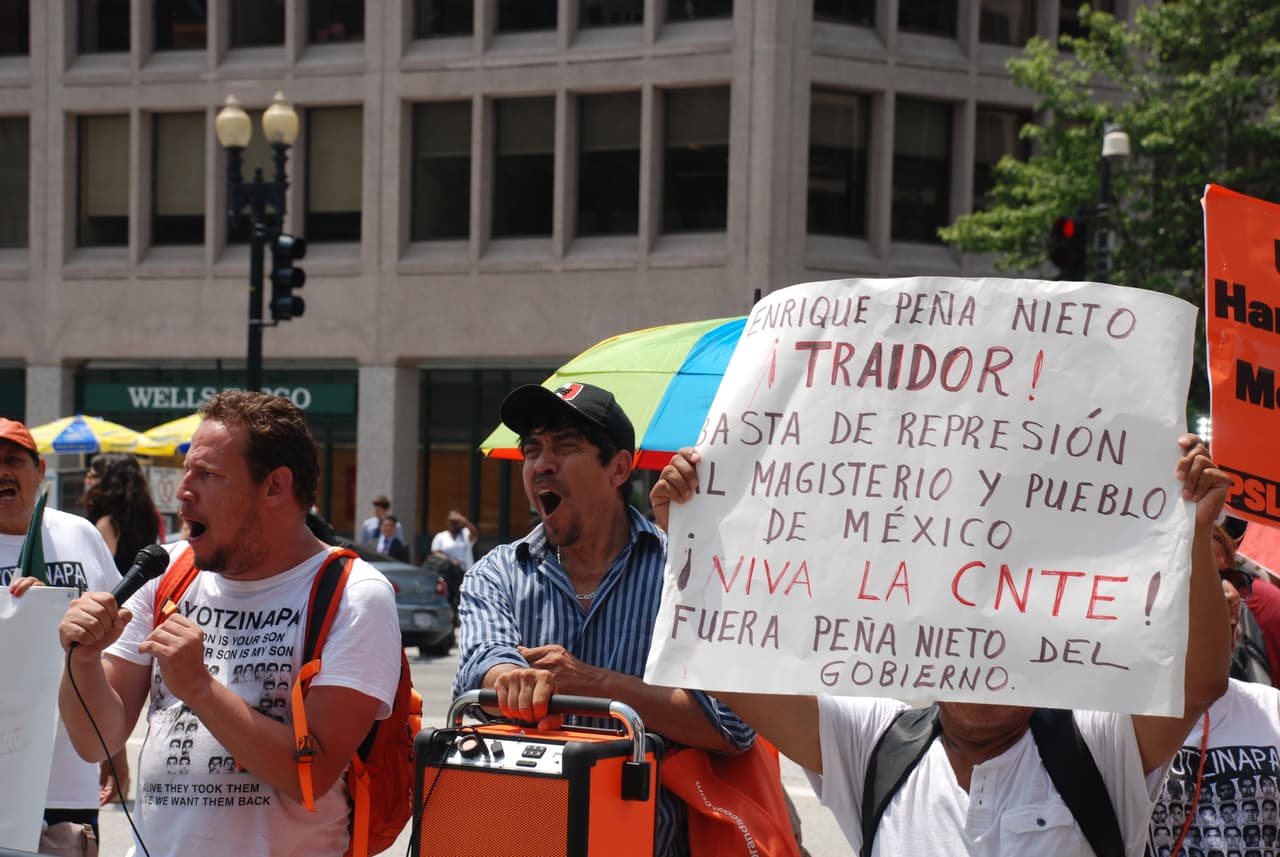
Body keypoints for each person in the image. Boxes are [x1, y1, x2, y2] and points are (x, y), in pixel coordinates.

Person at [650, 437, 1232, 856]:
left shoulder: (1097, 748)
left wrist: (1198, 532)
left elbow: (1199, 684)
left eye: (1004, 637)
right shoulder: (876, 745)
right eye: (966, 630)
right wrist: (692, 541)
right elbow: (726, 668)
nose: (982, 655)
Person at [55, 391, 402, 857]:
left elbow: (312, 775)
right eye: (186, 472)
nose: (183, 492)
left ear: (276, 487)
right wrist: (84, 662)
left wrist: (199, 687)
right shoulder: (167, 572)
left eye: (209, 475)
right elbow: (95, 741)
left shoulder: (354, 593)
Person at [452, 382, 756, 857]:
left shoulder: (682, 573)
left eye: (565, 446)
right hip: (519, 839)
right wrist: (508, 680)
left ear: (618, 467)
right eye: (531, 449)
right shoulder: (496, 574)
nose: (541, 464)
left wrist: (593, 683)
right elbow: (482, 666)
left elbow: (730, 728)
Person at [0, 418, 122, 850]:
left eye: (12, 460)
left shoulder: (80, 533)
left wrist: (115, 750)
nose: (2, 472)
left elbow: (114, 645)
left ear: (40, 471)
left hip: (70, 778)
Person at [1144, 524, 1280, 855]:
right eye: (1201, 575)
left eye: (1230, 578)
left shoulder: (1272, 708)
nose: (1231, 595)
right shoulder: (1109, 719)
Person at [82, 452, 162, 805]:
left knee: (111, 707)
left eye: (92, 473)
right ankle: (120, 772)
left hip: (118, 618)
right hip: (149, 612)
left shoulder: (104, 525)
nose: (87, 479)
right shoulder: (150, 517)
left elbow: (99, 581)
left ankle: (115, 772)